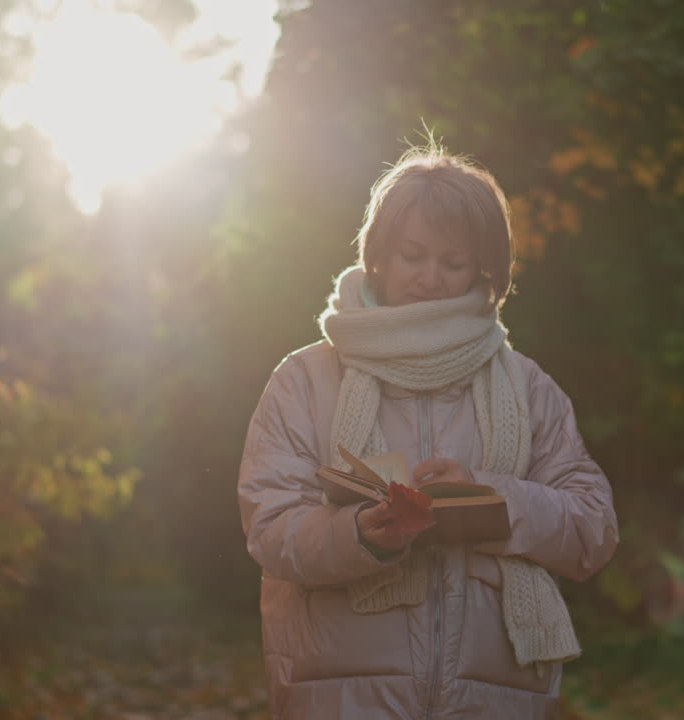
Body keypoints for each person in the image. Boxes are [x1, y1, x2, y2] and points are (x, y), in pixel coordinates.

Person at [237, 142, 619, 719]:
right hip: (342, 698)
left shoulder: (527, 386)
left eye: (454, 262)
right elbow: (270, 526)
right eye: (413, 255)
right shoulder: (306, 380)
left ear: (484, 270)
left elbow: (593, 528)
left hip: (494, 699)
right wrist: (364, 533)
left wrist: (488, 495)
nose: (430, 278)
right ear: (380, 257)